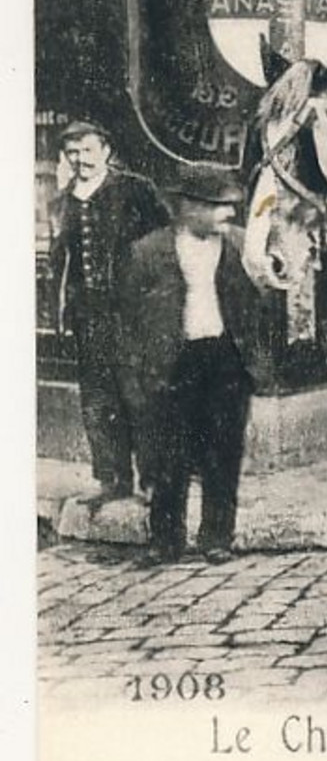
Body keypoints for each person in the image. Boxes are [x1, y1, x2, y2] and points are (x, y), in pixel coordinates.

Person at [117, 163, 269, 565]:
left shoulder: (240, 246)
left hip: (225, 360)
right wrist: (137, 377)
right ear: (188, 207)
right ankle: (165, 541)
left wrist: (253, 357)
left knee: (224, 451)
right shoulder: (148, 251)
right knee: (169, 455)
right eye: (220, 207)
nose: (230, 215)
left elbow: (263, 302)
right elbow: (128, 320)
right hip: (173, 364)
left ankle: (217, 537)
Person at [48, 119, 168, 504]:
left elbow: (164, 244)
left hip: (131, 314)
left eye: (87, 150)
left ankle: (152, 481)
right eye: (73, 153)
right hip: (88, 317)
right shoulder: (64, 201)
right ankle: (112, 480)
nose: (80, 159)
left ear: (106, 151)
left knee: (138, 395)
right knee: (98, 399)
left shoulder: (135, 190)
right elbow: (61, 261)